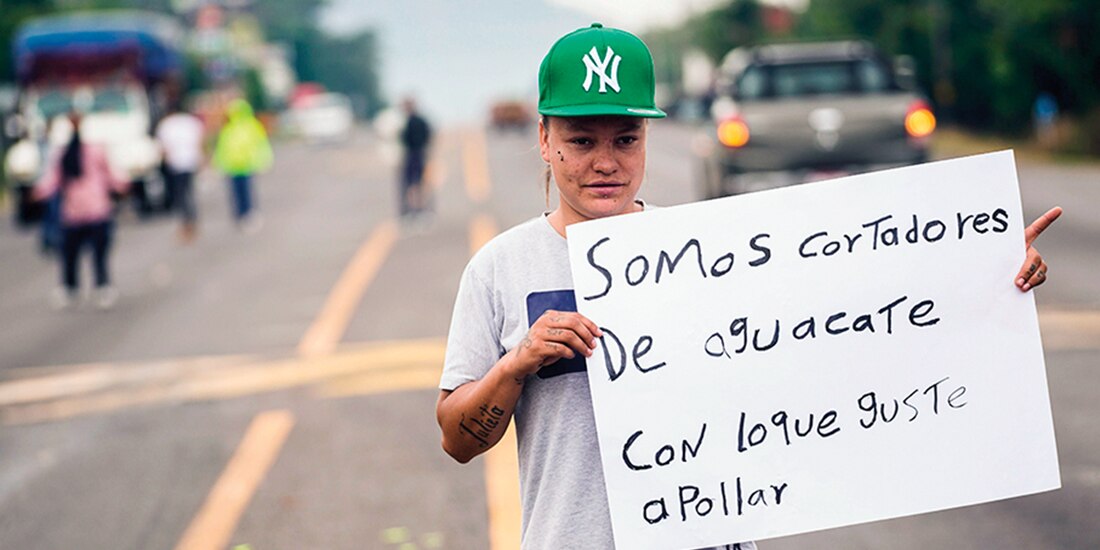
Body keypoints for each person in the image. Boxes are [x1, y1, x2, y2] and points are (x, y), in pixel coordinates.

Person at [436, 23, 1063, 550]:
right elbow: (458, 440)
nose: (606, 162)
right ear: (544, 139)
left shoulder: (714, 255)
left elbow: (860, 322)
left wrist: (984, 269)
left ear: (646, 138)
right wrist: (516, 364)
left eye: (626, 140)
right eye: (581, 141)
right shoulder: (501, 268)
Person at [33, 112, 129, 309]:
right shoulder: (64, 152)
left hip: (95, 208)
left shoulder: (94, 150)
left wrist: (122, 184)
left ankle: (102, 286)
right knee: (70, 254)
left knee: (98, 253)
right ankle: (71, 288)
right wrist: (39, 192)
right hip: (74, 211)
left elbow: (109, 173)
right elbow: (54, 178)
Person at [213, 98, 272, 232]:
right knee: (235, 193)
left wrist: (264, 160)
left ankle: (249, 213)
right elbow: (222, 148)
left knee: (247, 191)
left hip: (247, 165)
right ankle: (240, 215)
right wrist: (218, 164)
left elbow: (261, 144)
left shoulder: (252, 125)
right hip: (232, 167)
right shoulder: (228, 128)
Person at [155, 103, 206, 243]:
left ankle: (187, 223)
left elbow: (163, 148)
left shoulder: (166, 125)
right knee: (189, 192)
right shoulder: (191, 122)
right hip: (191, 162)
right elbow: (200, 140)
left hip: (176, 164)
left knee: (180, 196)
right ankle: (192, 221)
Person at [398, 97, 432, 219]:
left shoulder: (408, 122)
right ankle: (420, 209)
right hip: (420, 154)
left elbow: (403, 139)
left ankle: (414, 210)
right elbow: (428, 136)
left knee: (412, 184)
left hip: (412, 155)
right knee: (419, 183)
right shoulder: (421, 121)